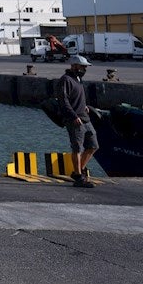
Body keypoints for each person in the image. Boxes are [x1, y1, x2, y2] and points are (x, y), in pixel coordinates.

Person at [54, 54, 98, 188]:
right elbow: (63, 100)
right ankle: (79, 177)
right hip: (75, 120)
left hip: (85, 117)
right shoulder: (65, 80)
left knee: (93, 146)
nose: (84, 69)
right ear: (74, 66)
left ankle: (77, 172)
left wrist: (84, 106)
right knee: (77, 148)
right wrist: (73, 116)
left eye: (85, 67)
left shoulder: (78, 79)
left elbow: (77, 97)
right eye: (82, 66)